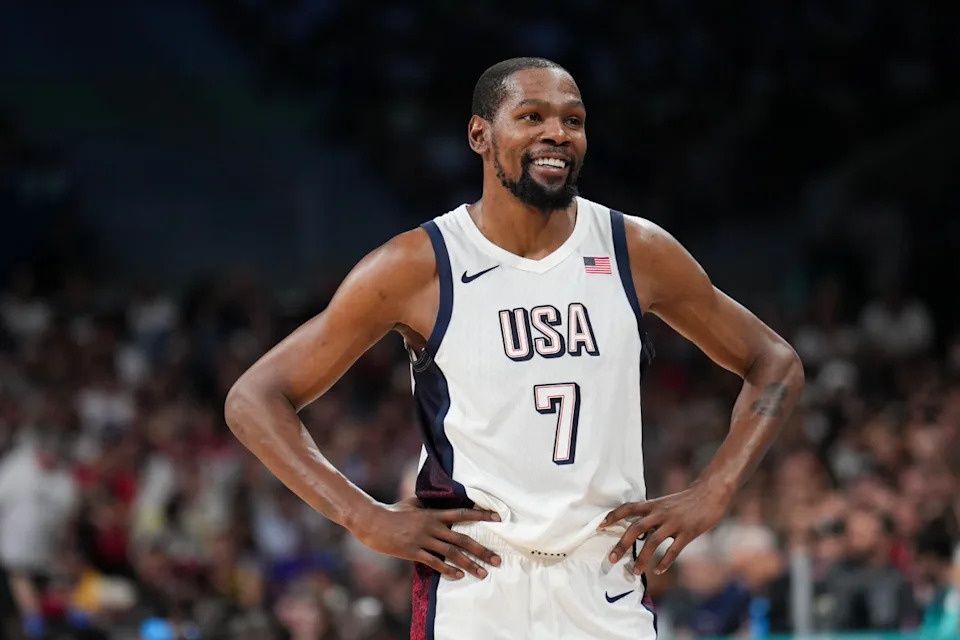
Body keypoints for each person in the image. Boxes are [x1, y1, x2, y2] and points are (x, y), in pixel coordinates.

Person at [224, 57, 805, 639]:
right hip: (476, 581)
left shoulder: (634, 250)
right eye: (531, 116)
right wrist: (362, 517)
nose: (557, 133)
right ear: (480, 134)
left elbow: (773, 360)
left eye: (573, 121)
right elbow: (255, 398)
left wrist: (714, 491)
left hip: (603, 580)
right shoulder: (419, 264)